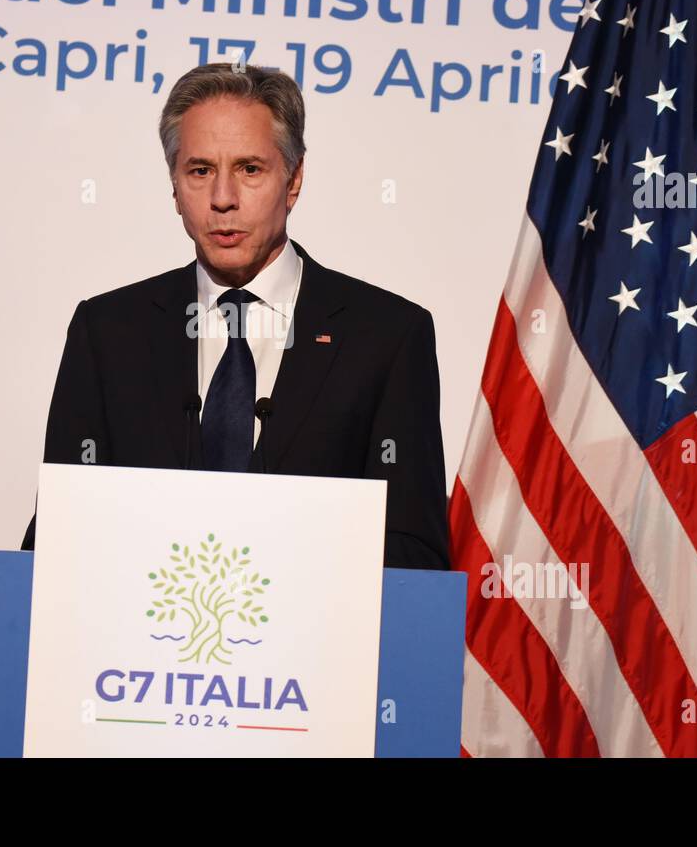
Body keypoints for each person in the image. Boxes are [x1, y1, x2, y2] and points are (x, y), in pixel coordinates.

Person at [22, 62, 449, 569]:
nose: (223, 200)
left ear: (293, 180)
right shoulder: (108, 332)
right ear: (175, 185)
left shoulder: (388, 337)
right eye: (200, 171)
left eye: (250, 169)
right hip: (136, 643)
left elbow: (412, 551)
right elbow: (57, 534)